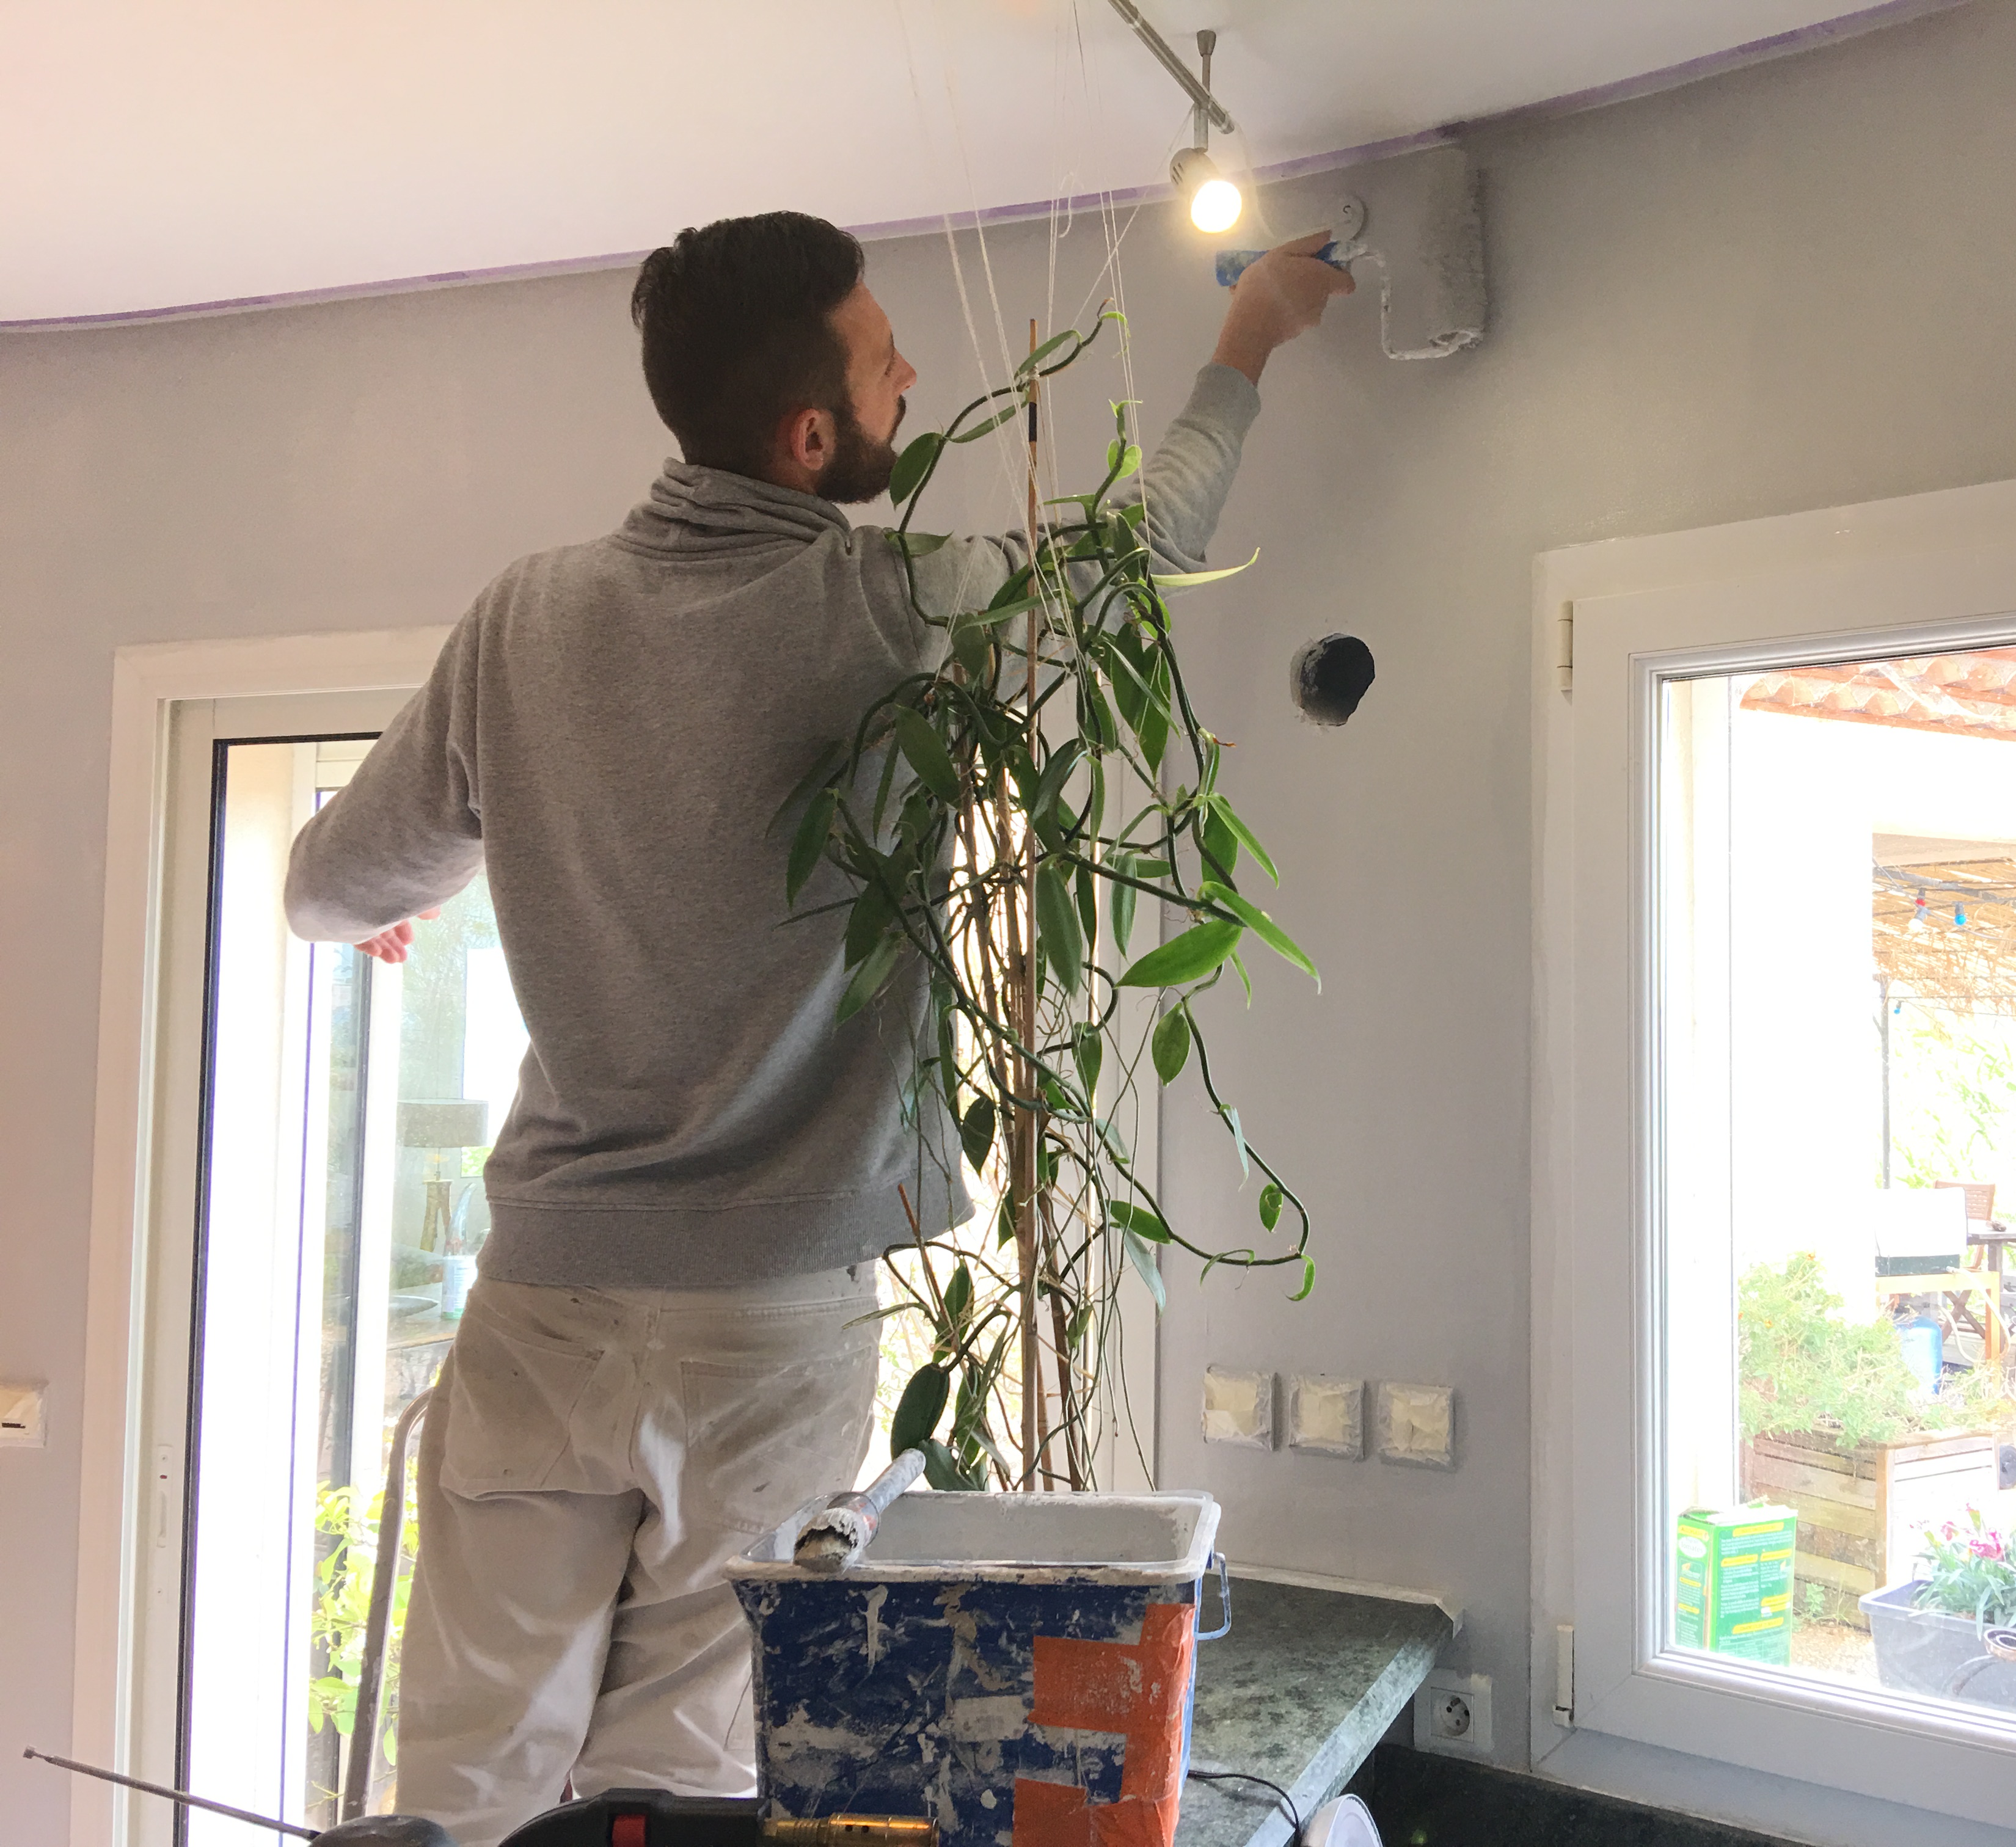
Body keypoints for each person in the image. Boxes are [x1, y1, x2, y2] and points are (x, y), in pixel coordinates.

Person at [283, 210, 1350, 1845]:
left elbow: (324, 887)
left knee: (467, 1789)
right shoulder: (889, 610)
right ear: (807, 437)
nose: (911, 375)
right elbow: (1138, 552)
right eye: (882, 361)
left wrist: (406, 889)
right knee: (678, 1792)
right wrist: (1250, 336)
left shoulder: (523, 617)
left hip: (542, 1309)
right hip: (762, 1329)